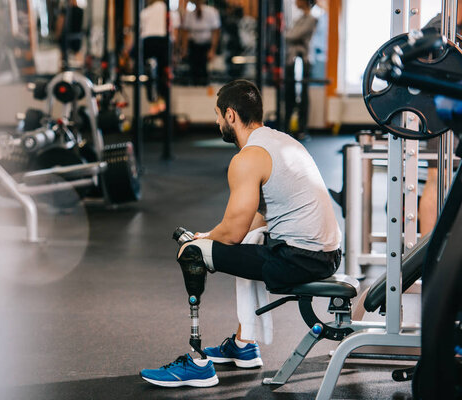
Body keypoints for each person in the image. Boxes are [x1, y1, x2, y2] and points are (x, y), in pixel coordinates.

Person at [140, 80, 342, 387]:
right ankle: (244, 343)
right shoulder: (281, 142)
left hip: (299, 259)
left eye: (218, 115)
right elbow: (258, 220)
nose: (217, 121)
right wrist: (207, 235)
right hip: (326, 255)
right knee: (249, 240)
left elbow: (233, 233)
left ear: (231, 115)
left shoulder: (248, 158)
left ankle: (196, 362)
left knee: (192, 253)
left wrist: (200, 245)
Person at [418, 3, 462, 236]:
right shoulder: (439, 27)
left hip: (457, 111)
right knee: (436, 178)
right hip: (441, 112)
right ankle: (425, 261)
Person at [129, 0, 181, 114]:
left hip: (148, 42)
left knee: (149, 71)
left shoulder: (145, 12)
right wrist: (174, 53)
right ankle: (162, 100)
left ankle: (153, 99)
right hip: (163, 43)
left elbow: (140, 32)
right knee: (164, 73)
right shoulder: (171, 13)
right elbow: (175, 35)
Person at [284, 0, 317, 140]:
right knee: (289, 95)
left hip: (302, 60)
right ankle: (289, 128)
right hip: (292, 60)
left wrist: (285, 33)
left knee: (302, 96)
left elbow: (292, 35)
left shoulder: (311, 19)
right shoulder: (299, 18)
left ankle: (301, 129)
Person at [180, 0, 221, 86]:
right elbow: (185, 32)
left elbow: (216, 31)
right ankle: (194, 87)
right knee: (193, 69)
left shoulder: (211, 12)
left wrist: (212, 50)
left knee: (204, 70)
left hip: (206, 44)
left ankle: (203, 86)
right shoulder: (189, 14)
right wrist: (184, 49)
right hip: (194, 45)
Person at [55, 0, 84, 70]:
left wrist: (58, 35)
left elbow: (60, 23)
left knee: (64, 58)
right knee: (74, 56)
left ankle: (62, 73)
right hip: (76, 37)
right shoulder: (80, 10)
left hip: (68, 37)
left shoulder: (66, 10)